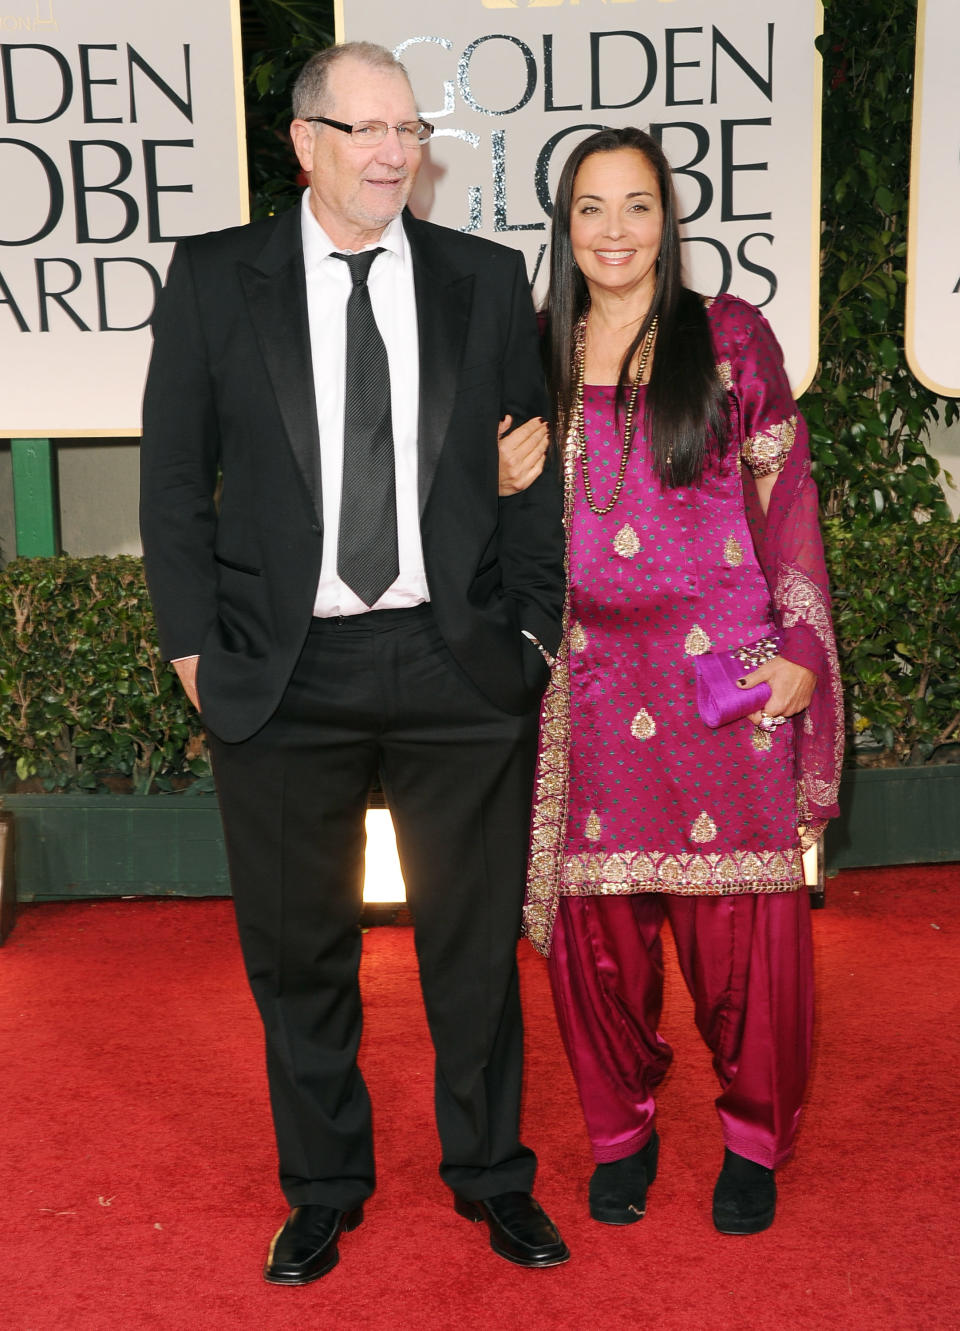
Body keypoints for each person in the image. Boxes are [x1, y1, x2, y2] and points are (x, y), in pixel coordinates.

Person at [139, 42, 568, 1284]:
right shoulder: (220, 278)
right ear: (305, 142)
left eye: (409, 129)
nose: (394, 152)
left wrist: (530, 637)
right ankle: (324, 1185)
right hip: (283, 674)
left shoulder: (485, 281)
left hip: (458, 666)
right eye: (366, 129)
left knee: (474, 947)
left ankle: (492, 1177)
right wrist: (190, 652)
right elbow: (174, 485)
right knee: (298, 947)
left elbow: (530, 471)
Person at [502, 127, 842, 1236]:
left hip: (725, 675)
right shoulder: (532, 349)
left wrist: (798, 643)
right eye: (590, 208)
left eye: (636, 205)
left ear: (668, 218)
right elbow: (481, 515)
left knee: (744, 928)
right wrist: (491, 466)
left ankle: (752, 1136)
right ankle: (622, 1130)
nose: (613, 232)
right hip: (587, 683)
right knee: (598, 935)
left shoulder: (731, 337)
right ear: (564, 224)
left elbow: (785, 494)